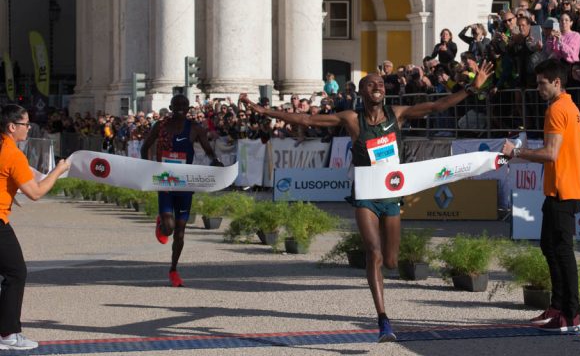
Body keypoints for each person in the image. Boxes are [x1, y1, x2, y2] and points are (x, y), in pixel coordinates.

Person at [240, 62, 493, 343]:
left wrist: (471, 89)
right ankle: (383, 320)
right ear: (361, 92)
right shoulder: (351, 119)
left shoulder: (397, 114)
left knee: (392, 261)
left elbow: (438, 106)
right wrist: (265, 111)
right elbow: (307, 120)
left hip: (391, 196)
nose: (378, 87)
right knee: (374, 253)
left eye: (381, 84)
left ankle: (385, 286)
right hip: (365, 196)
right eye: (371, 84)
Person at [502, 59, 580, 334]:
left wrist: (516, 152)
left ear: (557, 83)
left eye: (542, 83)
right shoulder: (568, 106)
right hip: (562, 188)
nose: (538, 88)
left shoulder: (557, 109)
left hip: (564, 189)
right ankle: (558, 307)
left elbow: (551, 154)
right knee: (550, 247)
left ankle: (570, 315)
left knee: (561, 251)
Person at [0, 104, 70, 350]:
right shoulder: (12, 153)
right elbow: (36, 192)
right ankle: (7, 335)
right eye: (25, 124)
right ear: (12, 127)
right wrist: (58, 170)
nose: (28, 128)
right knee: (16, 272)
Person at [140, 95, 222, 287]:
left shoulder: (195, 128)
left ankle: (174, 269)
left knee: (180, 233)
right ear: (170, 107)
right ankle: (161, 224)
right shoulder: (159, 127)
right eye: (176, 105)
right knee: (169, 228)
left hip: (185, 184)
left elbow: (208, 150)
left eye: (183, 105)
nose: (179, 108)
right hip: (166, 182)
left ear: (188, 108)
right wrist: (148, 167)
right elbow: (145, 148)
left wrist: (215, 162)